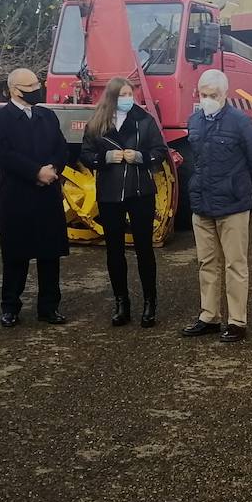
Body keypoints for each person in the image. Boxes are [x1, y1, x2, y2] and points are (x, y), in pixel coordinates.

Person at [181, 69, 252, 344]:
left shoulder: (241, 123)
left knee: (235, 264)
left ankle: (237, 321)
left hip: (233, 206)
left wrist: (247, 195)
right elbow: (196, 160)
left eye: (213, 95)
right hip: (202, 204)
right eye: (204, 94)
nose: (208, 99)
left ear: (225, 95)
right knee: (206, 262)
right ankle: (209, 316)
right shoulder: (194, 121)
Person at [79, 77, 168, 328]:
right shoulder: (97, 123)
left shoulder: (145, 120)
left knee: (144, 249)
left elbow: (160, 151)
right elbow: (85, 154)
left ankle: (150, 303)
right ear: (112, 97)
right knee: (114, 251)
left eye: (130, 93)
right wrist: (104, 157)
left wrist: (141, 157)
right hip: (110, 194)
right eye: (122, 94)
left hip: (140, 193)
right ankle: (122, 303)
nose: (128, 98)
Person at [0, 68, 70, 327]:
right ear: (14, 90)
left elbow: (62, 147)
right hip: (18, 196)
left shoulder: (48, 115)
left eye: (37, 84)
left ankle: (49, 307)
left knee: (49, 255)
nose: (37, 89)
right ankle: (10, 306)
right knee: (15, 256)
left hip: (48, 195)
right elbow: (3, 154)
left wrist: (53, 169)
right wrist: (35, 172)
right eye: (30, 86)